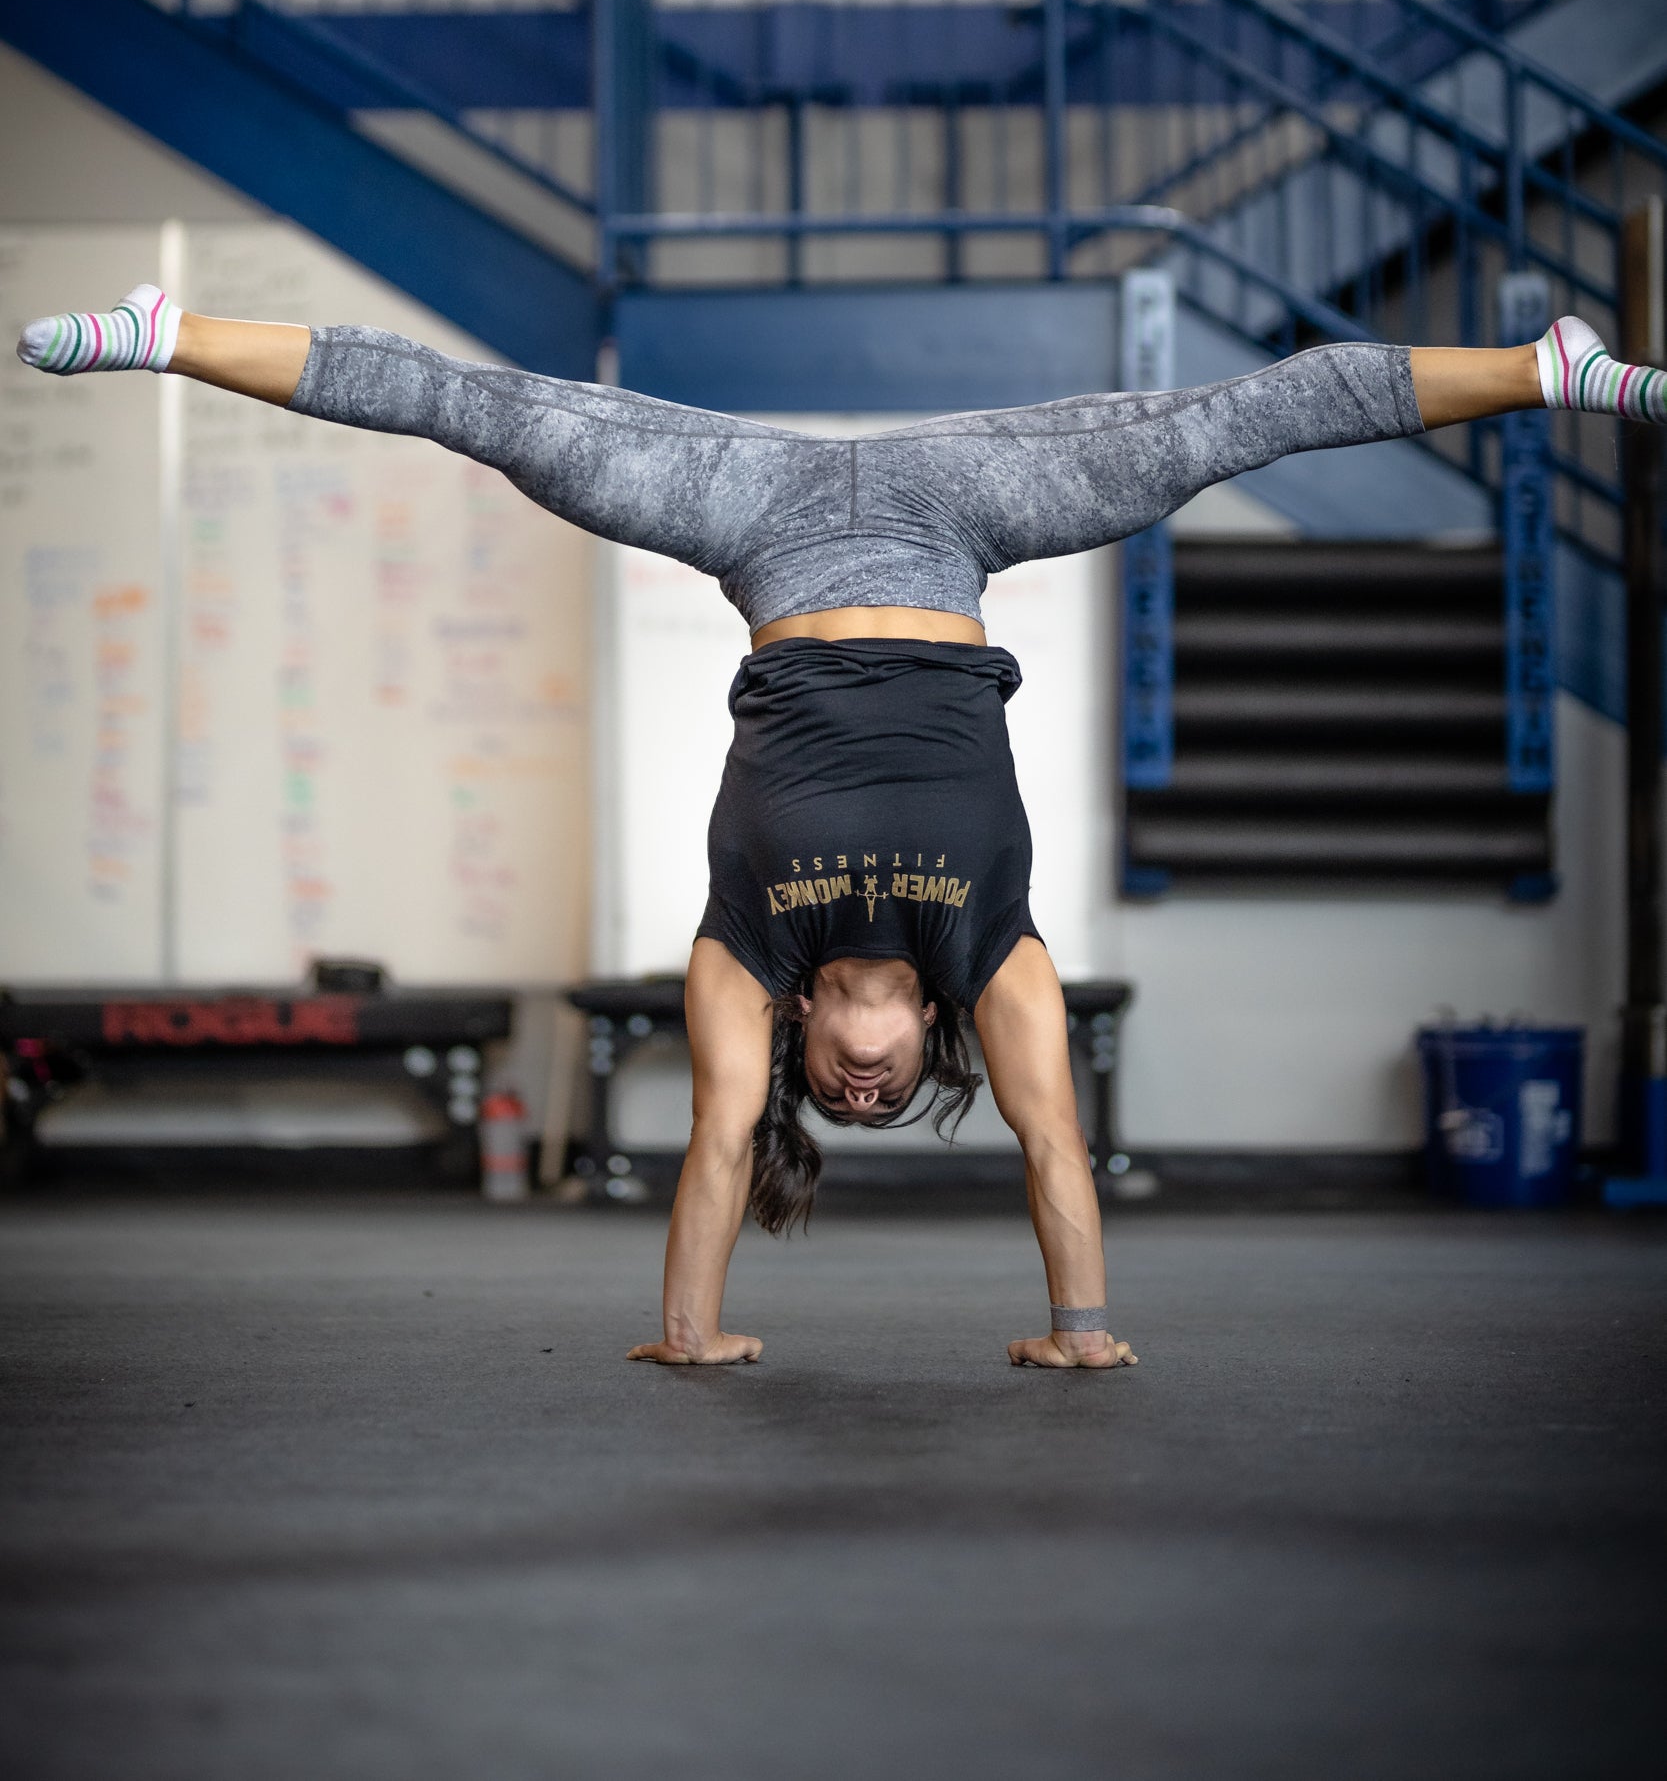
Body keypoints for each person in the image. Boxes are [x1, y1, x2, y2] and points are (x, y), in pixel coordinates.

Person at [16, 290, 1654, 1367]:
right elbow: (1056, 1147)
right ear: (925, 1029)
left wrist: (691, 1333)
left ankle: (168, 332)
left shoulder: (750, 958)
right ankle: (1548, 370)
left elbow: (720, 1139)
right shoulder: (990, 954)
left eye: (840, 1094)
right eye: (891, 1092)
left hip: (755, 521)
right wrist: (1081, 1328)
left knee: (484, 410)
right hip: (965, 511)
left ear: (809, 1029)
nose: (863, 1085)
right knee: (1243, 420)